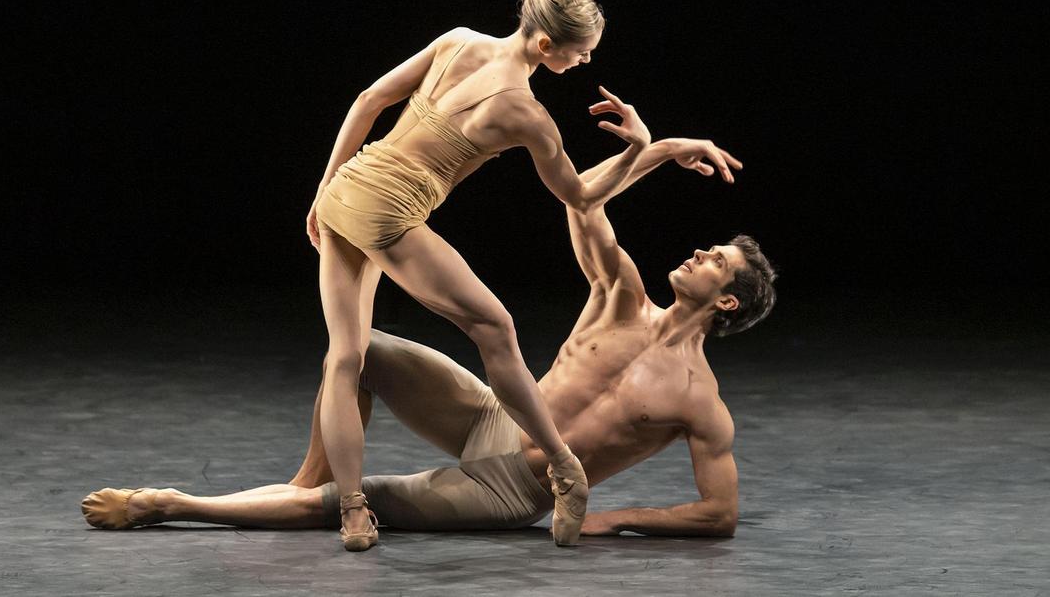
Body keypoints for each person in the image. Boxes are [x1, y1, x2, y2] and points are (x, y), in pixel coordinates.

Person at [81, 135, 777, 541]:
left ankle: (166, 503)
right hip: (495, 419)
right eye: (709, 246)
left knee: (362, 501)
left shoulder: (700, 401)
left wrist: (620, 519)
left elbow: (720, 513)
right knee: (359, 351)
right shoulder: (620, 297)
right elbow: (581, 201)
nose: (697, 252)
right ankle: (305, 481)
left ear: (724, 300)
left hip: (514, 492)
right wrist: (660, 148)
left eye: (715, 260)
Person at [302, 0, 651, 550]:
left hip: (349, 187)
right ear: (546, 46)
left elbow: (370, 100)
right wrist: (640, 147)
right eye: (581, 50)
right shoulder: (526, 114)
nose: (586, 59)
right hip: (388, 212)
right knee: (496, 328)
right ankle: (565, 469)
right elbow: (582, 197)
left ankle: (354, 513)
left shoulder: (458, 40)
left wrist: (323, 188)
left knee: (346, 356)